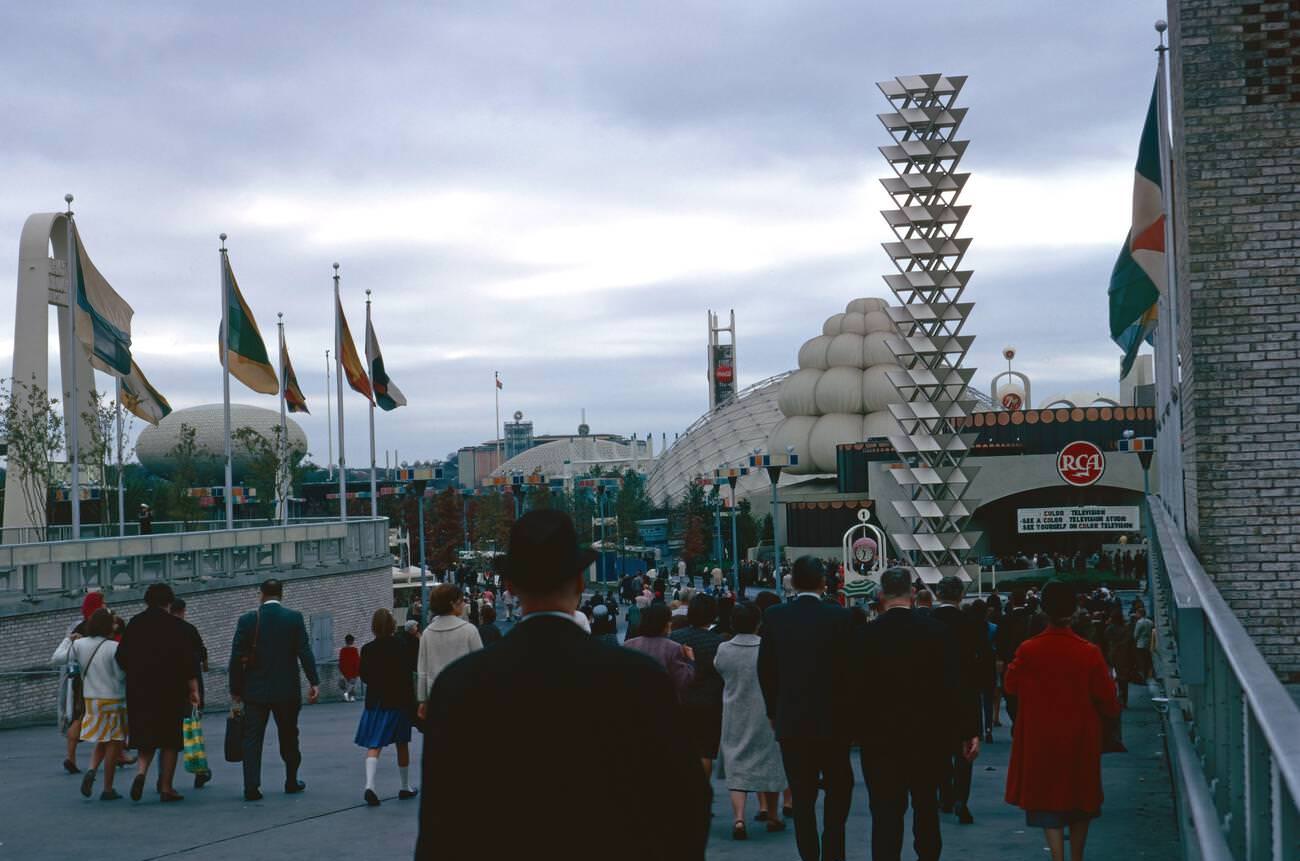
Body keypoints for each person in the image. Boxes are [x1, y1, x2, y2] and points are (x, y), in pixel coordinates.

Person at [415, 510, 709, 861]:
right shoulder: (637, 678)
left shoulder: (460, 685)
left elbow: (441, 824)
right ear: (581, 583)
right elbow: (685, 799)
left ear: (510, 587)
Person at [851, 567, 970, 861]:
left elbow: (852, 689)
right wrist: (967, 730)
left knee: (885, 813)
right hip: (928, 736)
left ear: (881, 596)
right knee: (926, 807)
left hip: (880, 739)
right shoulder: (937, 633)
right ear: (913, 594)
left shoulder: (864, 636)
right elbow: (955, 686)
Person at [1004, 580, 1122, 861]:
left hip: (1041, 735)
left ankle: (1057, 857)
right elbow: (1108, 700)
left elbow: (1010, 685)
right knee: (1082, 798)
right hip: (1081, 734)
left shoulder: (1029, 649)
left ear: (1043, 609)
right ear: (1075, 609)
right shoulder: (1088, 652)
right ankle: (1076, 856)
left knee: (1048, 800)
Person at [757, 556, 854, 861]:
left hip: (793, 719)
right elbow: (851, 670)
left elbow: (766, 670)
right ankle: (834, 848)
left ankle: (809, 854)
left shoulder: (775, 617)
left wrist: (774, 711)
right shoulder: (841, 617)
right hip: (834, 719)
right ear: (824, 582)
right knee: (839, 786)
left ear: (793, 582)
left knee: (802, 795)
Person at [228, 579, 320, 801]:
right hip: (286, 690)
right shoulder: (294, 618)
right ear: (281, 594)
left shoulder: (248, 620)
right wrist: (313, 682)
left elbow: (236, 657)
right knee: (289, 735)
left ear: (261, 594)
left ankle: (251, 787)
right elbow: (304, 652)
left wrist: (236, 689)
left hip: (255, 691)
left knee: (252, 739)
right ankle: (291, 780)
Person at [116, 583, 198, 803]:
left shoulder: (135, 624)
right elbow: (188, 661)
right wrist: (193, 689)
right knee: (170, 740)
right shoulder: (177, 626)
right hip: (171, 690)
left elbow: (121, 657)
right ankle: (166, 787)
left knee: (146, 736)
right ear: (169, 602)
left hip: (140, 689)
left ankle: (141, 772)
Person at [715, 602, 787, 840]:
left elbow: (719, 669)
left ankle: (738, 818)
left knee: (737, 765)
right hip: (766, 712)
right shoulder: (768, 648)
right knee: (770, 763)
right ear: (758, 623)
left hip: (735, 712)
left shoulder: (725, 648)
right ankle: (774, 816)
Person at [53, 608, 127, 800]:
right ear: (107, 626)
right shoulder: (113, 647)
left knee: (102, 740)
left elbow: (57, 658)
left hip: (91, 700)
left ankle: (92, 770)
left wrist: (69, 639)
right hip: (113, 700)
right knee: (113, 744)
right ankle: (108, 788)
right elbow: (120, 676)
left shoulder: (80, 645)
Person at [931, 575, 985, 826]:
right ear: (961, 595)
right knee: (965, 751)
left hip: (936, 698)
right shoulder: (971, 623)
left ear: (938, 594)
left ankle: (945, 793)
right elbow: (980, 665)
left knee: (940, 750)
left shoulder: (927, 622)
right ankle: (961, 798)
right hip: (964, 697)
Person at [355, 608, 418, 806]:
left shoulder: (367, 649)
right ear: (392, 625)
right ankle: (405, 786)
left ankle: (370, 785)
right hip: (398, 700)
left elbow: (364, 676)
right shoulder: (401, 645)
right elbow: (408, 675)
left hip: (375, 702)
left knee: (374, 744)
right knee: (402, 743)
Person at [670, 594, 726, 779]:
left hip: (680, 700)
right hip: (710, 703)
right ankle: (703, 792)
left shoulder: (675, 638)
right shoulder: (718, 642)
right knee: (705, 752)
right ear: (713, 615)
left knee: (681, 749)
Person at [52, 591, 107, 774]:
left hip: (78, 681)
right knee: (109, 715)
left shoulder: (78, 629)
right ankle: (118, 754)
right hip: (97, 680)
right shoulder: (99, 629)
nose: (106, 606)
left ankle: (71, 757)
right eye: (103, 603)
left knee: (79, 716)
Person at [415, 584, 482, 719]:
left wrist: (423, 700)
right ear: (453, 603)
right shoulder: (469, 630)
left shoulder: (427, 633)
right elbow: (481, 666)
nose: (464, 604)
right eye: (462, 601)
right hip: (466, 695)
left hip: (436, 695)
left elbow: (422, 670)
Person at [169, 598, 212, 788]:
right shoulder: (189, 629)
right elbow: (202, 654)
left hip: (168, 690)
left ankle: (163, 779)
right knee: (192, 731)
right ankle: (200, 770)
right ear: (183, 611)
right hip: (190, 687)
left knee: (167, 737)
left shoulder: (165, 631)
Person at [623, 603, 696, 702]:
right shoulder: (673, 648)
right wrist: (690, 660)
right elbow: (683, 681)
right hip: (662, 703)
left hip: (634, 701)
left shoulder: (628, 645)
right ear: (665, 624)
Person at [1103, 609, 1136, 708]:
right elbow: (1131, 642)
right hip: (1124, 655)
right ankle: (1123, 699)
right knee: (1123, 679)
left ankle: (1113, 698)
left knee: (1111, 676)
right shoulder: (1126, 629)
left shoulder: (1110, 628)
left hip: (1113, 654)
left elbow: (1105, 638)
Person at [1132, 606, 1154, 681]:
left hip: (1140, 644)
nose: (1136, 615)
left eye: (1137, 613)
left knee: (1142, 660)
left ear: (1140, 614)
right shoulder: (1150, 622)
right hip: (1148, 643)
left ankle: (1144, 676)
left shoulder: (1139, 622)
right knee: (1148, 659)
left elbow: (1136, 634)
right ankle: (1149, 675)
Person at [338, 634, 361, 702]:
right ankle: (350, 697)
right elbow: (357, 662)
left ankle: (348, 696)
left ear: (345, 641)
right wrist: (357, 672)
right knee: (352, 685)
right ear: (352, 641)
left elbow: (341, 662)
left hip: (345, 671)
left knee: (345, 685)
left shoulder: (342, 650)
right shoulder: (355, 650)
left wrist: (341, 672)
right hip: (353, 671)